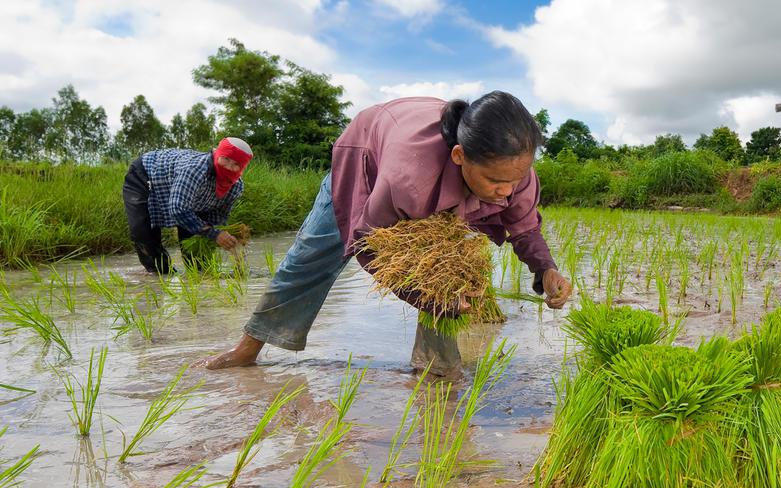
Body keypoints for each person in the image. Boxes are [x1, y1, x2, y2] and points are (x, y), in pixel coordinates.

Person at [205, 92, 573, 373]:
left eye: (515, 180)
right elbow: (369, 244)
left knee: (449, 269)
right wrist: (421, 296)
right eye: (496, 181)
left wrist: (545, 269)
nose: (506, 192)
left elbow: (523, 225)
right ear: (460, 156)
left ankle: (437, 368)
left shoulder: (513, 175)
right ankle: (248, 349)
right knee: (312, 256)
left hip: (432, 177)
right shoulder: (408, 178)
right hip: (365, 163)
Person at [122, 137, 253, 274]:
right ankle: (158, 274)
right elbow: (178, 209)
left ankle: (197, 278)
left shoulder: (236, 187)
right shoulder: (195, 170)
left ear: (242, 168)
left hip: (190, 197)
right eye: (225, 159)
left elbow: (218, 217)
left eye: (235, 164)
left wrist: (221, 235)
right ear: (218, 154)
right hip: (145, 175)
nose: (228, 167)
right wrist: (214, 234)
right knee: (144, 233)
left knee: (199, 265)